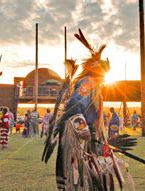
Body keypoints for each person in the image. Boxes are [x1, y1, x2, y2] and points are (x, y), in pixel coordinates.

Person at [42, 30, 137, 190]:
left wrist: (102, 138)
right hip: (80, 140)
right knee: (79, 178)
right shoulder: (88, 82)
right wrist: (82, 129)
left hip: (90, 138)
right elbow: (75, 106)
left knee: (90, 178)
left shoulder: (94, 85)